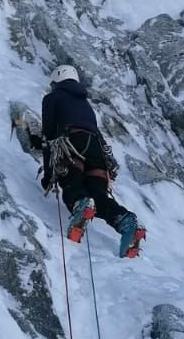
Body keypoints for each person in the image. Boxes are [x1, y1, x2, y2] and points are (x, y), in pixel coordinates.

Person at [41, 65, 145, 256]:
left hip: (72, 141)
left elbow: (48, 138)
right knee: (98, 195)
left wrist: (48, 176)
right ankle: (126, 221)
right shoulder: (85, 103)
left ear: (56, 81)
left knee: (71, 182)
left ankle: (81, 204)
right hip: (97, 149)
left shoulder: (52, 98)